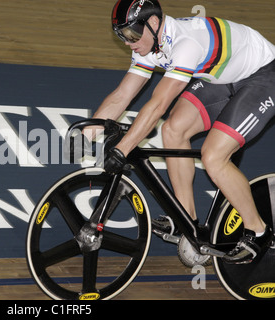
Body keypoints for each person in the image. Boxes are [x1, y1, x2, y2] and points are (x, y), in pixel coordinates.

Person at [89, 0, 275, 264]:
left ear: (153, 23)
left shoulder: (186, 44)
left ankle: (259, 231)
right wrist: (88, 132)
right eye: (122, 36)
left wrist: (122, 149)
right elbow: (122, 96)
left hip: (263, 76)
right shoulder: (148, 44)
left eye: (131, 34)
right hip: (222, 76)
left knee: (213, 157)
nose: (128, 42)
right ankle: (188, 221)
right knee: (173, 130)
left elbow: (158, 105)